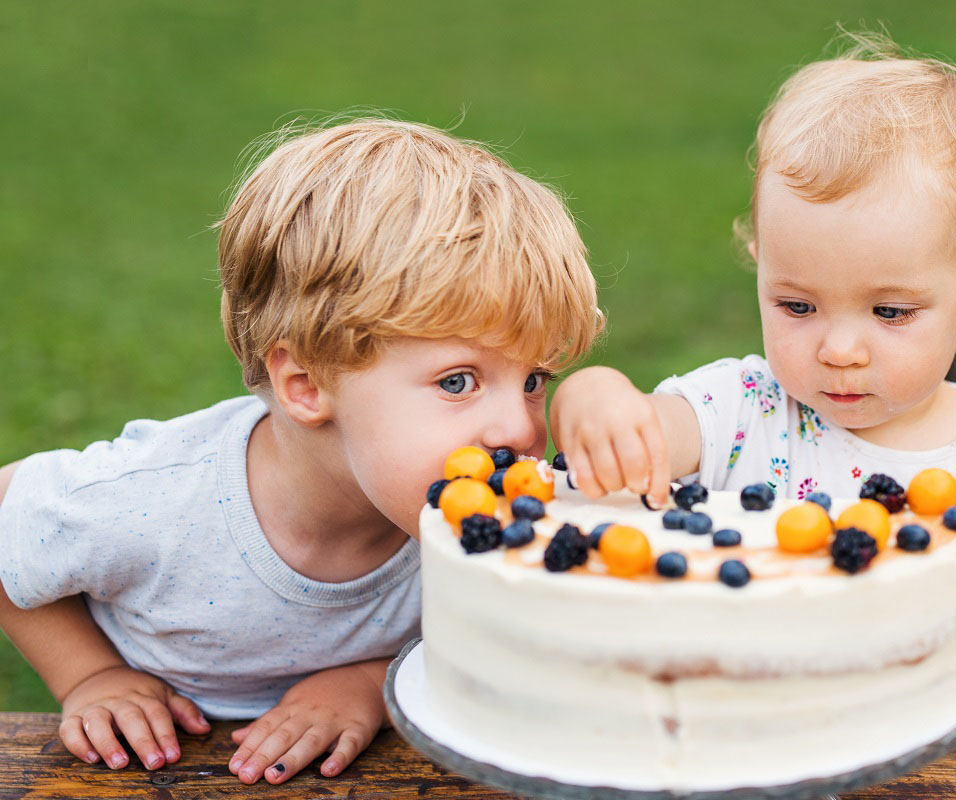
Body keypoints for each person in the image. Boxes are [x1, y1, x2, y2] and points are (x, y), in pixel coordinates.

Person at [550, 35, 956, 787]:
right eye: (797, 305)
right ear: (761, 266)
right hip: (760, 762)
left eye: (890, 312)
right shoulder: (745, 410)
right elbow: (645, 429)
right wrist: (597, 394)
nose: (839, 350)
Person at [0, 118, 601, 785]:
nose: (518, 429)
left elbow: (511, 646)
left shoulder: (492, 525)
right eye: (458, 382)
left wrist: (371, 683)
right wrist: (89, 675)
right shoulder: (153, 504)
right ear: (307, 386)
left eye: (534, 380)